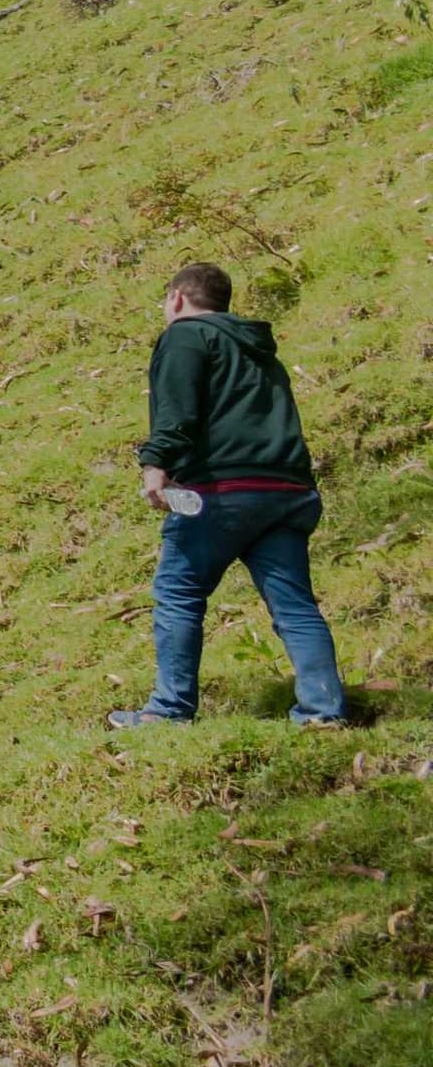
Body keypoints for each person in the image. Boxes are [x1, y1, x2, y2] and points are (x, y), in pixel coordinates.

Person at [109, 263, 346, 731]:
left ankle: (169, 709)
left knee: (178, 593)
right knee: (295, 605)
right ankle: (323, 710)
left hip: (221, 489)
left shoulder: (186, 336)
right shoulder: (260, 350)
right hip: (287, 489)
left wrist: (156, 465)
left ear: (177, 297)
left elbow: (178, 410)